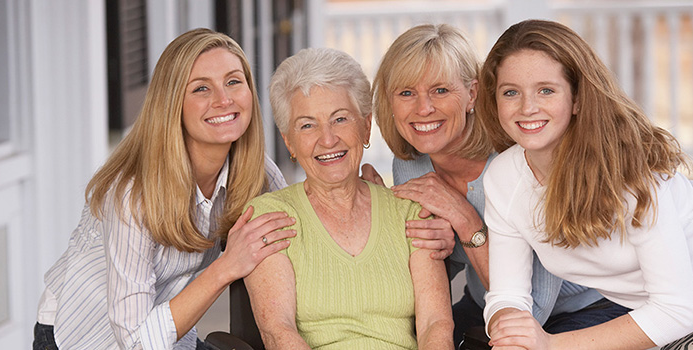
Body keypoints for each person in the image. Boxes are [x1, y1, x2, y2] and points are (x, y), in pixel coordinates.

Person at [367, 23, 628, 346]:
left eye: (440, 90)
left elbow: (532, 309)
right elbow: (425, 279)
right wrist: (378, 224)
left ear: (472, 94)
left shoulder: (520, 160)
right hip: (485, 305)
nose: (423, 108)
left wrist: (466, 221)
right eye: (406, 93)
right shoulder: (411, 164)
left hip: (585, 309)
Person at [33, 28, 295, 349]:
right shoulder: (134, 192)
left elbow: (296, 232)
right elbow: (135, 342)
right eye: (201, 88)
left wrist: (360, 192)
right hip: (86, 337)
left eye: (233, 81)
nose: (223, 99)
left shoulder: (255, 170)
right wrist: (227, 266)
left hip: (169, 334)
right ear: (173, 104)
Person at [480, 19, 693, 349]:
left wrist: (550, 344)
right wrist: (511, 331)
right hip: (667, 318)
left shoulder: (626, 173)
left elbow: (675, 311)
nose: (527, 107)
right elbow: (508, 293)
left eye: (546, 90)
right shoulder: (502, 179)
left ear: (578, 99)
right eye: (511, 92)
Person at [243, 47, 454, 349]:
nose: (327, 139)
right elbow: (278, 332)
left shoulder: (410, 212)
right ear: (289, 141)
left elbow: (437, 324)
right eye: (307, 125)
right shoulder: (270, 216)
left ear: (366, 127)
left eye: (340, 119)